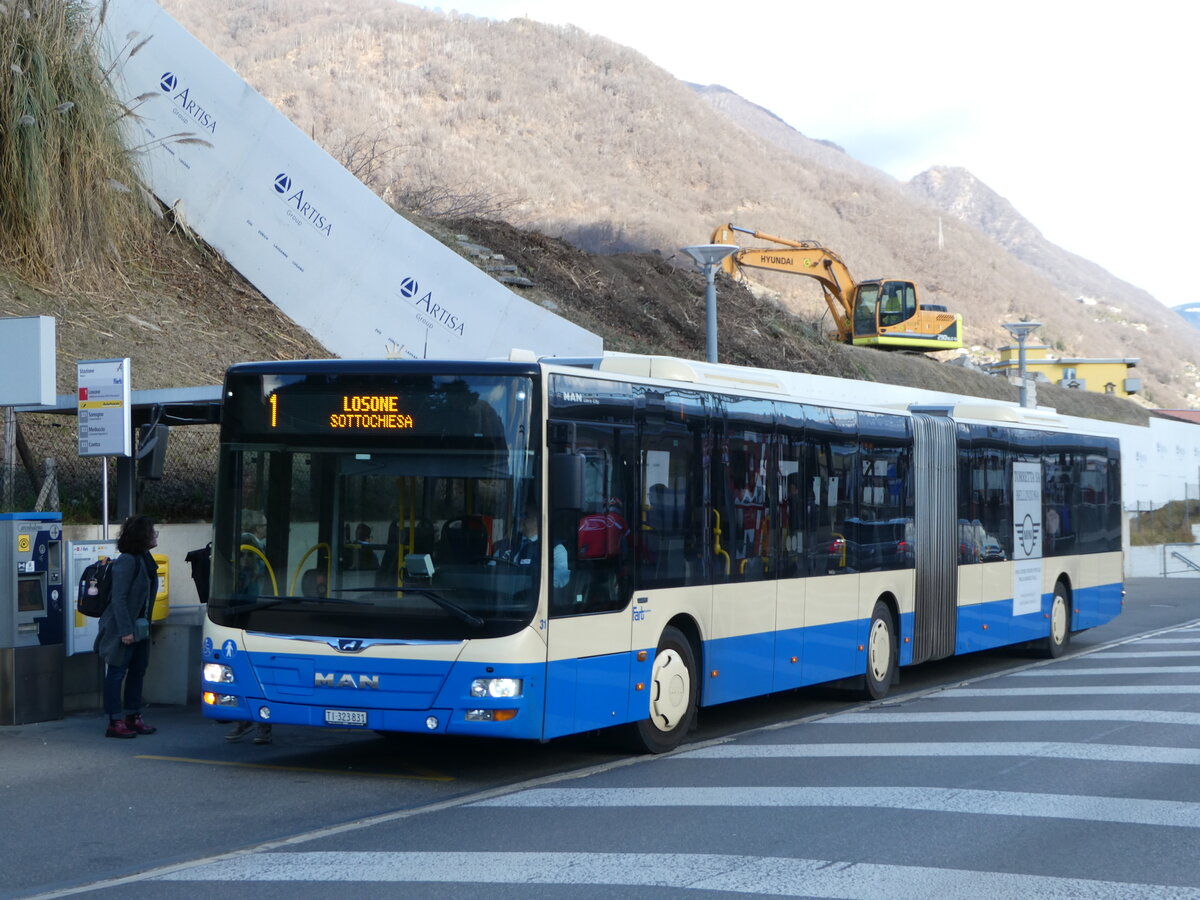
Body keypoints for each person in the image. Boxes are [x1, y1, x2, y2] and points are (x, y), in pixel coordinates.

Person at [96, 515, 159, 739]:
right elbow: (119, 599)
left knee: (138, 670)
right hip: (123, 627)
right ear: (142, 535)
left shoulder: (145, 558)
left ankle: (133, 715)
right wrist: (125, 631)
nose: (155, 535)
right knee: (116, 671)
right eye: (152, 532)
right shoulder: (126, 561)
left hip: (141, 626)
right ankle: (115, 720)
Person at [495, 511, 569, 588]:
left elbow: (560, 578)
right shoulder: (506, 545)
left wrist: (531, 584)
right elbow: (489, 570)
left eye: (524, 515)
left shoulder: (554, 548)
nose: (519, 518)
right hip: (500, 596)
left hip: (533, 597)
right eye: (519, 515)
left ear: (538, 519)